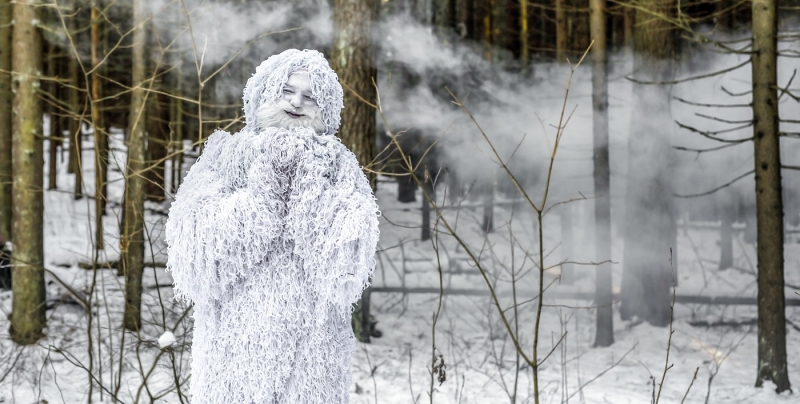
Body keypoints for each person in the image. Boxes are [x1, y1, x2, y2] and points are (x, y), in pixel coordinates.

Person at [165, 49, 380, 404]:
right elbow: (194, 254)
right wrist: (263, 196)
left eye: (310, 96)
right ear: (265, 92)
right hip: (232, 355)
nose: (297, 102)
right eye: (287, 90)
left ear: (325, 106)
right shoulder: (225, 155)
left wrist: (309, 187)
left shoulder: (338, 166)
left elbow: (347, 263)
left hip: (313, 358)